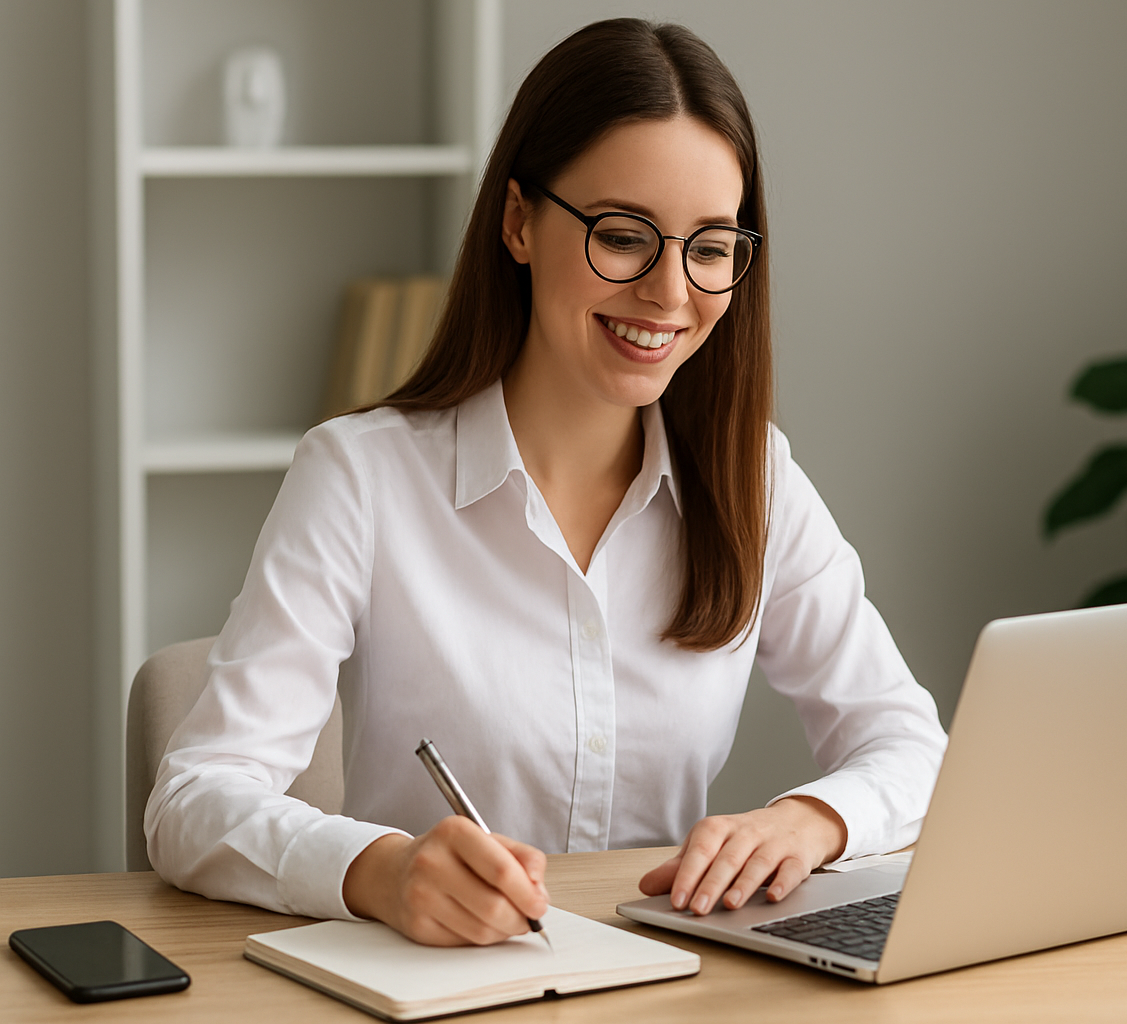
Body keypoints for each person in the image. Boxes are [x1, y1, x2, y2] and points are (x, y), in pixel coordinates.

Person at [146, 18, 947, 948]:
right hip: (437, 986)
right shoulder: (361, 477)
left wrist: (812, 821)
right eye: (622, 236)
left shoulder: (752, 476)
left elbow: (911, 746)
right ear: (520, 222)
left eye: (711, 247)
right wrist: (383, 871)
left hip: (668, 987)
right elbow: (196, 798)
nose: (670, 295)